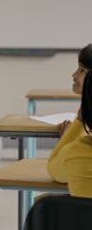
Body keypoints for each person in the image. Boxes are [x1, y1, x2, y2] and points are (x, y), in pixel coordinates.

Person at [47, 44, 92, 197]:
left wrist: (69, 136)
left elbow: (53, 169)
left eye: (83, 70)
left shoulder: (77, 152)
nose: (74, 75)